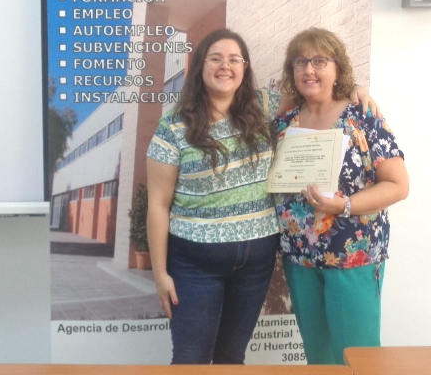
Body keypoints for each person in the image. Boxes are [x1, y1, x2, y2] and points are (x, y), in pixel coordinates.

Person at [146, 28, 378, 365]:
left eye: (234, 59)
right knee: (190, 358)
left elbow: (315, 89)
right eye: (215, 58)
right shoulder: (174, 126)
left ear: (244, 67)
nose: (225, 66)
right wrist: (159, 273)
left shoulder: (264, 106)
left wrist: (355, 89)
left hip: (254, 263)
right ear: (199, 66)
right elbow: (157, 205)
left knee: (231, 357)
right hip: (194, 264)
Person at [274, 27, 409, 365]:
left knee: (357, 359)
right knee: (318, 358)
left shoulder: (363, 117)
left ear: (338, 69)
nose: (309, 70)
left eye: (320, 61)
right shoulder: (283, 122)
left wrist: (343, 205)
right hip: (299, 258)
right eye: (300, 62)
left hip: (353, 258)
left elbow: (398, 185)